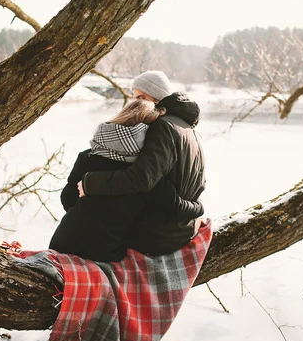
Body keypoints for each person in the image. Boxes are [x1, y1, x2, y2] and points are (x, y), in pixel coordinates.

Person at [49, 99, 203, 262]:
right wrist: (198, 208)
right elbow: (170, 204)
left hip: (66, 238)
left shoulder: (87, 156)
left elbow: (67, 199)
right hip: (105, 249)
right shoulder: (142, 173)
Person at [79, 71, 206, 256]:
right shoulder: (187, 127)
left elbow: (141, 178)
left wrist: (88, 183)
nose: (136, 103)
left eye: (141, 97)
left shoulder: (162, 127)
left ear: (157, 98)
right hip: (183, 227)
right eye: (134, 97)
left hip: (160, 235)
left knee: (89, 228)